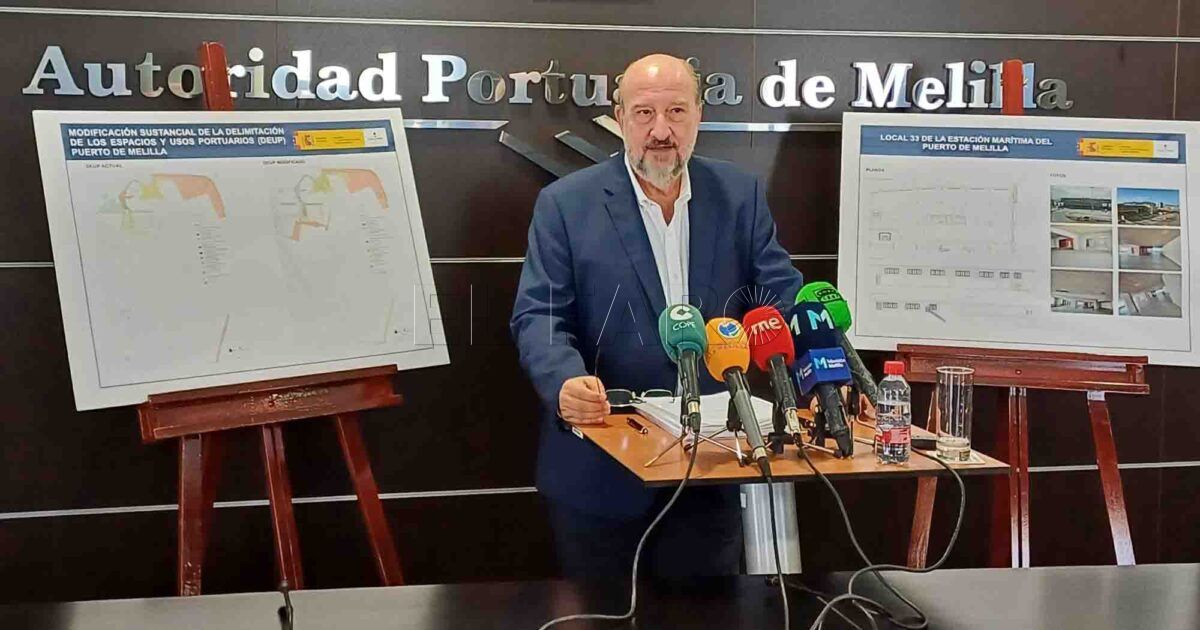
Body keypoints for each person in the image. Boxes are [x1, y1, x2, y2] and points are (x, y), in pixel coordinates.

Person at [510, 53, 803, 578]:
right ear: (620, 118)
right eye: (645, 113)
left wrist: (815, 374)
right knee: (602, 612)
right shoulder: (565, 204)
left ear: (699, 117)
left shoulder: (739, 196)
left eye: (676, 112)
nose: (661, 131)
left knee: (709, 614)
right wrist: (564, 382)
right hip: (601, 469)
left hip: (711, 468)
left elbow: (781, 300)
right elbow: (539, 315)